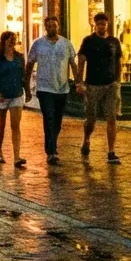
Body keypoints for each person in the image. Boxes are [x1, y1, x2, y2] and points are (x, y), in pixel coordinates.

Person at [27, 16, 78, 166]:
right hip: (44, 87)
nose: (51, 28)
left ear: (58, 26)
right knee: (48, 117)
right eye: (48, 26)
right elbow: (30, 64)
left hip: (62, 88)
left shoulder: (66, 44)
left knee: (57, 120)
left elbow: (73, 64)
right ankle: (52, 151)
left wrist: (78, 82)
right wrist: (26, 86)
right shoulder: (38, 44)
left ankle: (52, 144)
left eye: (54, 25)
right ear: (45, 28)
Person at [76, 12, 123, 164]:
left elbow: (118, 62)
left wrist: (118, 81)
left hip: (111, 85)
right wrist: (79, 82)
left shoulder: (114, 42)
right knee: (91, 119)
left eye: (104, 23)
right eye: (99, 24)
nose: (102, 26)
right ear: (94, 25)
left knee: (111, 117)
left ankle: (111, 151)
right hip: (93, 85)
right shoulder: (88, 41)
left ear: (107, 25)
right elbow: (81, 61)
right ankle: (87, 138)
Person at [0, 30, 29, 166]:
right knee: (1, 125)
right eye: (9, 39)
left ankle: (17, 157)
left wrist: (27, 91)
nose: (12, 41)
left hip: (16, 94)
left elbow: (23, 75)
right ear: (3, 41)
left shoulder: (20, 57)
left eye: (14, 39)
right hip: (1, 96)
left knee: (15, 125)